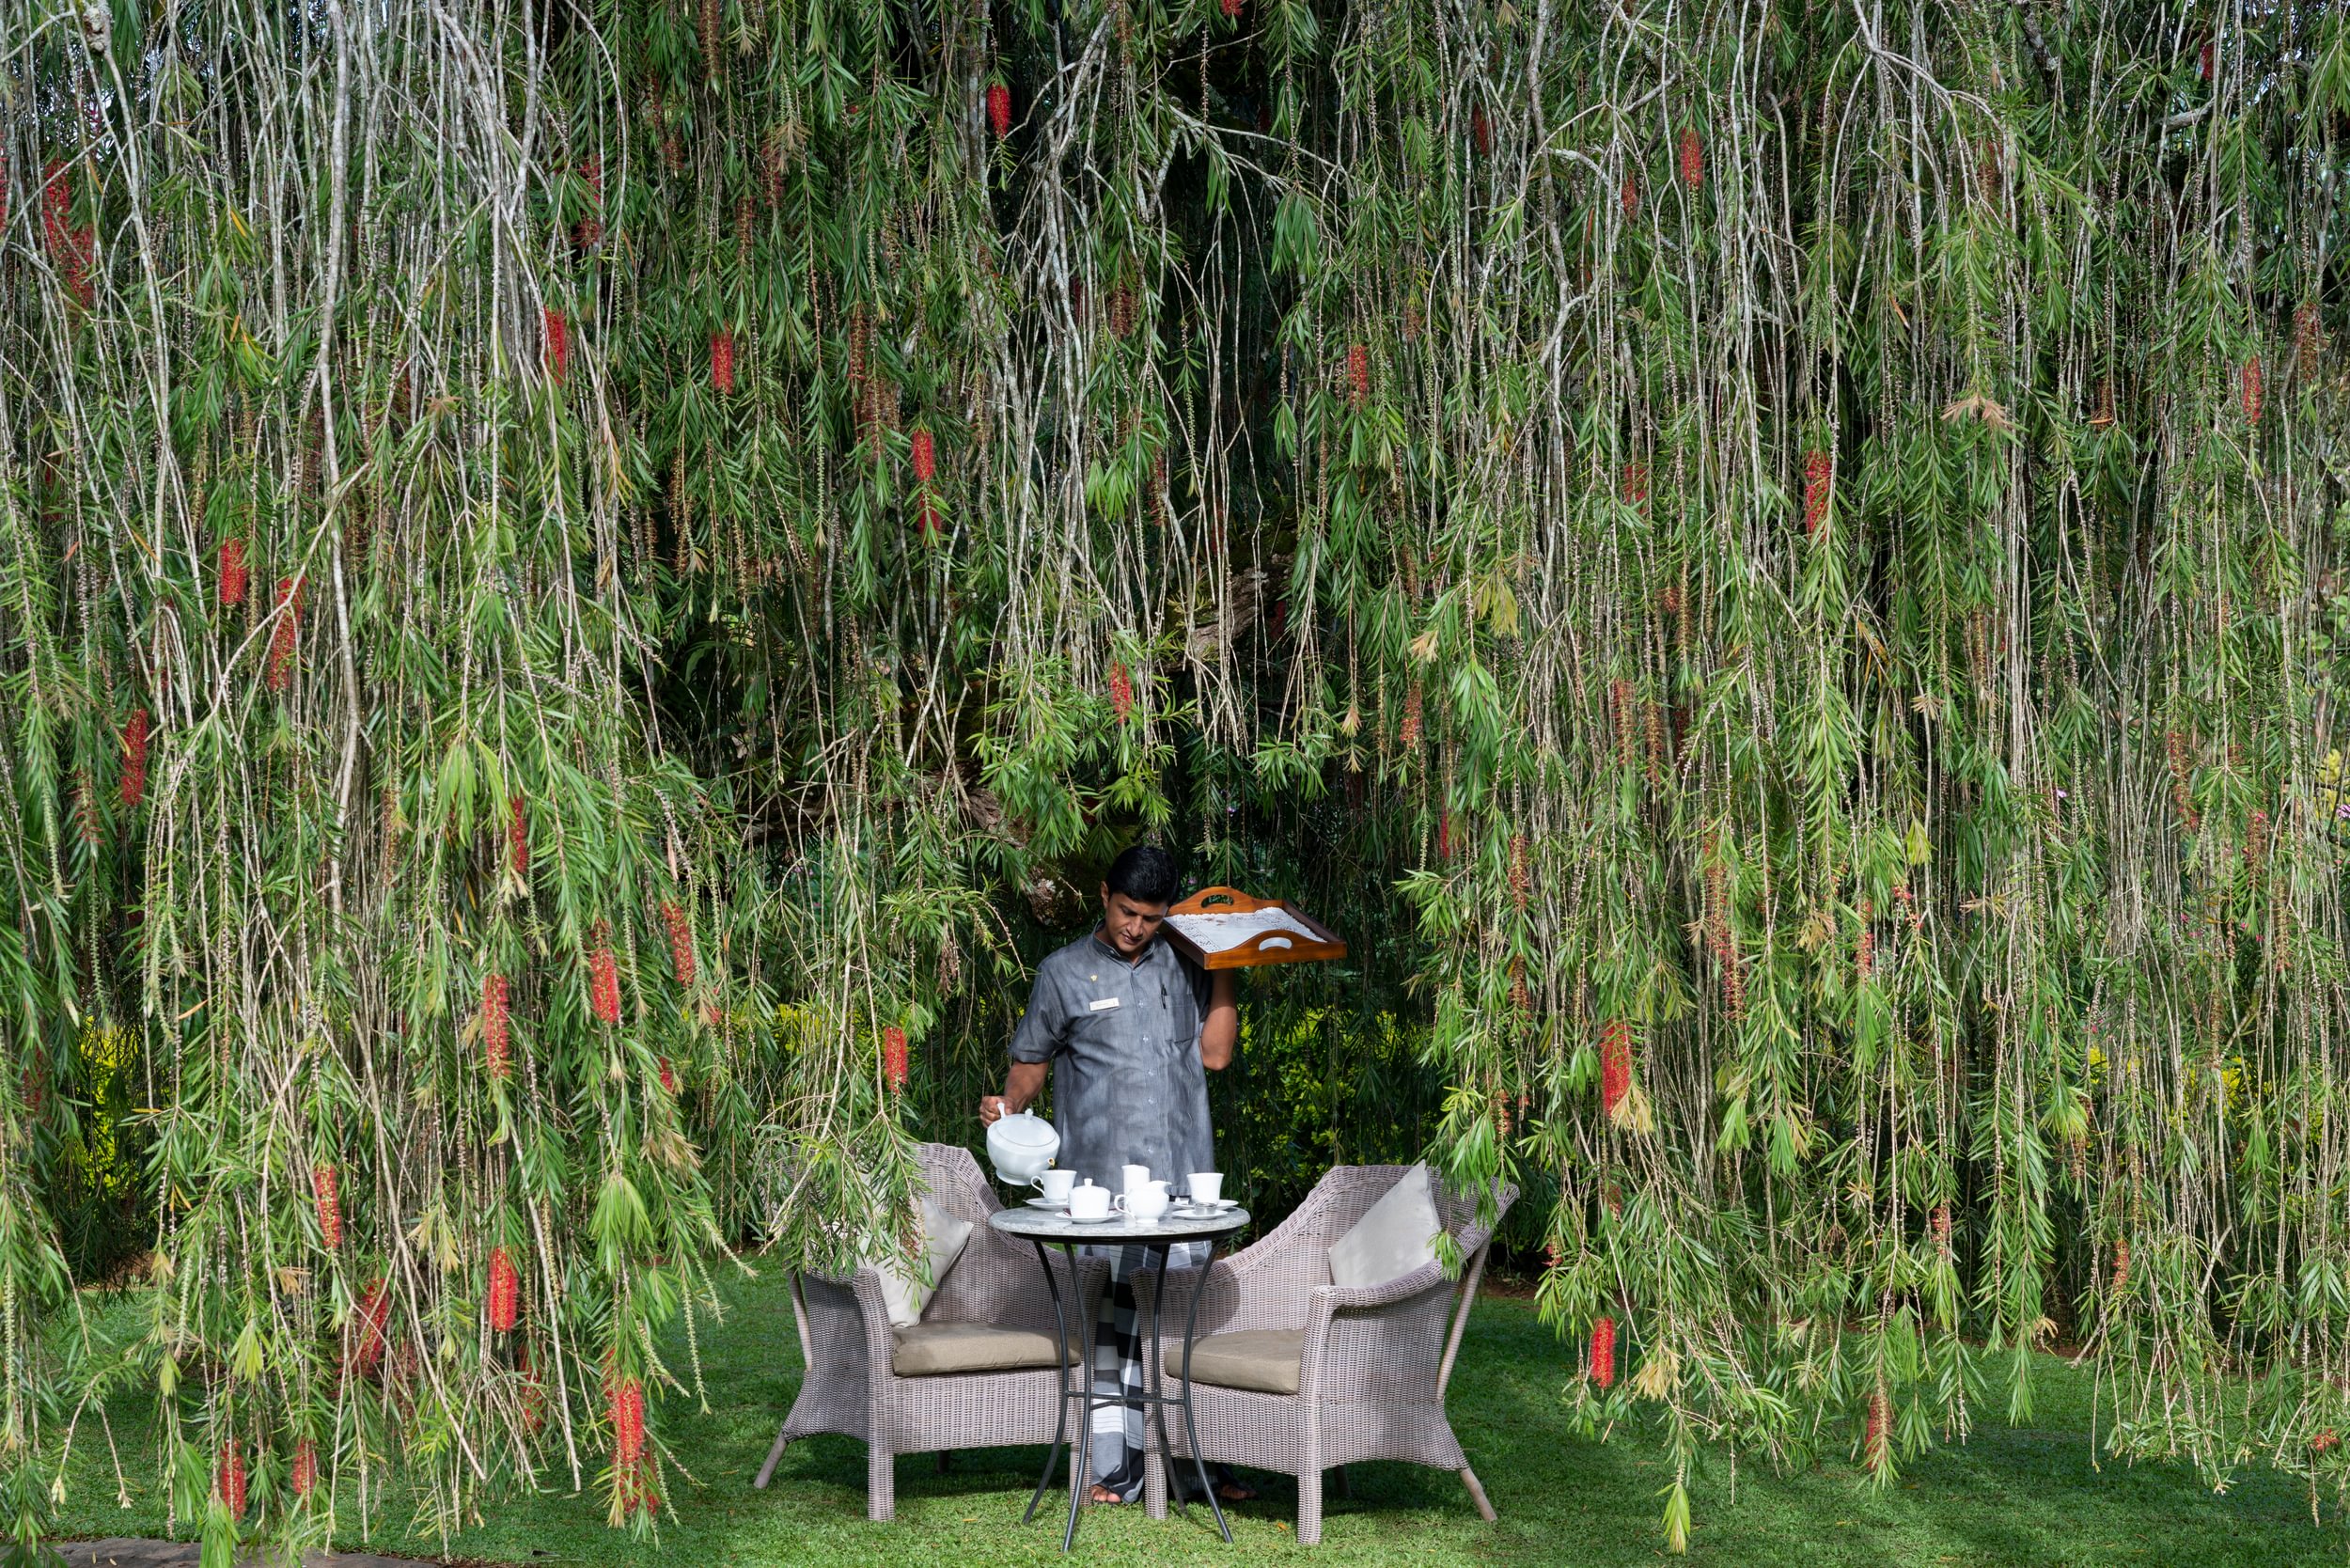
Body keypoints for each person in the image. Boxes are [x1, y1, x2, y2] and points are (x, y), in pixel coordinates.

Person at [980, 843, 1256, 1506]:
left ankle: (1198, 1468)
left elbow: (1216, 1056)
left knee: (1180, 1326)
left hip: (1183, 1181)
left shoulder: (1186, 962)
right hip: (1101, 1191)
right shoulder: (1062, 972)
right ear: (1105, 895)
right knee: (1116, 1323)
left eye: (1152, 918)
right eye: (1127, 911)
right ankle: (1116, 1471)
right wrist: (1008, 1106)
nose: (1136, 927)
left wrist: (1224, 964)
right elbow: (1031, 1062)